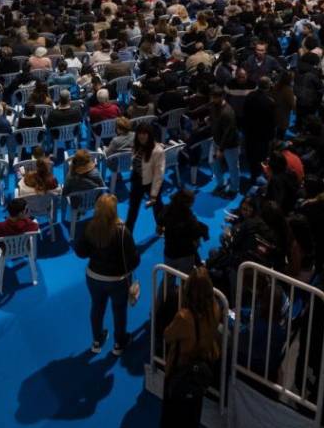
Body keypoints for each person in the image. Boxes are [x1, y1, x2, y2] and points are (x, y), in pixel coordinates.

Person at [74, 194, 139, 356]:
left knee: (97, 307)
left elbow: (80, 252)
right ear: (114, 210)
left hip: (94, 277)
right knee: (119, 310)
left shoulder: (89, 227)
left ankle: (97, 341)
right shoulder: (122, 231)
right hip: (117, 280)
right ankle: (119, 343)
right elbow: (134, 261)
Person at [161, 267, 221, 427]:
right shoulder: (215, 309)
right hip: (202, 371)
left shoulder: (184, 317)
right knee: (193, 414)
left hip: (180, 371)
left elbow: (167, 335)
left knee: (170, 417)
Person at [125, 124, 165, 236]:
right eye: (139, 133)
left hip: (152, 183)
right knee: (132, 209)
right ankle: (127, 235)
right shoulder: (136, 145)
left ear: (149, 135)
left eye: (144, 133)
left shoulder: (158, 151)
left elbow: (158, 175)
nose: (141, 136)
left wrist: (153, 195)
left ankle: (161, 227)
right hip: (137, 180)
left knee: (158, 207)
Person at [161, 190, 208, 274]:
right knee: (186, 278)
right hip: (185, 255)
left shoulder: (166, 210)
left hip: (169, 252)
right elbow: (196, 237)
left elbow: (159, 225)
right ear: (187, 203)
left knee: (168, 278)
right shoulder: (190, 219)